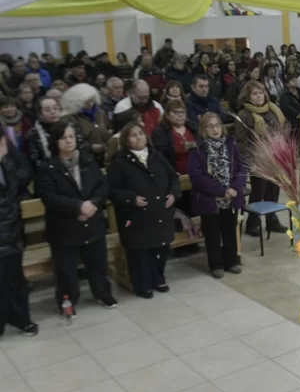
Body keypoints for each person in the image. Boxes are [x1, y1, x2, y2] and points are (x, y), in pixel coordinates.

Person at [36, 122, 117, 314]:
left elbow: (102, 186)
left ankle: (102, 293)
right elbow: (50, 198)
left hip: (92, 220)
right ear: (55, 141)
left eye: (71, 137)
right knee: (66, 270)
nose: (68, 141)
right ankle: (67, 300)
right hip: (65, 226)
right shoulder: (47, 167)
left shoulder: (87, 160)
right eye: (63, 138)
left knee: (97, 263)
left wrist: (94, 203)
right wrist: (78, 207)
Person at [108, 123, 180, 298]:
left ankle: (158, 278)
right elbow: (111, 190)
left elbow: (173, 178)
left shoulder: (157, 156)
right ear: (126, 140)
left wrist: (173, 193)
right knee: (140, 252)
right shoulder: (119, 162)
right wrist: (131, 199)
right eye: (133, 135)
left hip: (160, 212)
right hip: (136, 215)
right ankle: (143, 285)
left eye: (140, 133)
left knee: (161, 248)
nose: (138, 137)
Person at [189, 113, 246, 278]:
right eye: (210, 126)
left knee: (230, 230)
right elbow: (197, 177)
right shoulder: (198, 151)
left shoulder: (232, 146)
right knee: (213, 234)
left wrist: (235, 187)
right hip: (210, 199)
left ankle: (232, 261)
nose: (215, 129)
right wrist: (221, 191)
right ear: (203, 130)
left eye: (217, 125)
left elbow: (242, 169)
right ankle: (216, 264)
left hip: (231, 197)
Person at [235, 81, 288, 236]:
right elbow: (242, 143)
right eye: (254, 93)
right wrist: (250, 163)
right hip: (257, 159)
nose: (258, 96)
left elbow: (285, 127)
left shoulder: (273, 110)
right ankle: (253, 223)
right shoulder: (244, 115)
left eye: (260, 92)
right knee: (259, 192)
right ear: (247, 96)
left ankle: (272, 220)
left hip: (275, 156)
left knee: (274, 189)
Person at [0, 130, 36, 338]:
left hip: (12, 227)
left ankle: (22, 319)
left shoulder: (7, 154)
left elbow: (24, 168)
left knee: (16, 277)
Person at [61, 83, 111, 166]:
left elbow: (108, 127)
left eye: (92, 100)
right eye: (86, 101)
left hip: (106, 156)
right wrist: (91, 147)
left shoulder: (100, 112)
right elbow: (72, 140)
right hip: (84, 160)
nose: (90, 104)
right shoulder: (68, 118)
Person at [151, 99, 196, 174]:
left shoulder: (193, 128)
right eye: (176, 112)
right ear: (167, 115)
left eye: (182, 112)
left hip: (197, 170)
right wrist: (171, 172)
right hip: (175, 173)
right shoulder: (160, 132)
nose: (180, 115)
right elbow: (161, 158)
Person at [26, 96, 61, 173]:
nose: (53, 112)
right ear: (39, 113)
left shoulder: (70, 127)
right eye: (47, 110)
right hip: (48, 173)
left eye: (55, 108)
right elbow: (35, 160)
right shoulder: (33, 134)